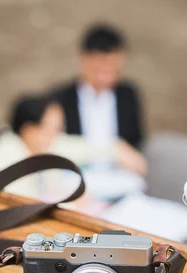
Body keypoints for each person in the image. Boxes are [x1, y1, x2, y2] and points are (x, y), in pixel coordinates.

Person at [0, 94, 146, 201]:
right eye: (54, 129)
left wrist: (117, 147)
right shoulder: (4, 154)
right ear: (30, 131)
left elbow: (77, 147)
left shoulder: (45, 145)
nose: (58, 136)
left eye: (60, 129)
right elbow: (16, 204)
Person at [50, 23, 146, 173]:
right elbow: (54, 143)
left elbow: (136, 141)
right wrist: (111, 149)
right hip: (75, 177)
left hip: (120, 178)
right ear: (83, 60)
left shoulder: (128, 95)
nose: (104, 78)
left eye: (113, 70)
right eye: (98, 70)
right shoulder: (60, 98)